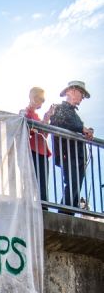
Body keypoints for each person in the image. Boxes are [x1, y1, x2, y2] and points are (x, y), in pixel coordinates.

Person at [49, 81, 94, 210]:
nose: (82, 97)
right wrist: (82, 128)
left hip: (78, 155)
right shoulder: (58, 108)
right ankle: (65, 213)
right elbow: (60, 122)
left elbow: (76, 127)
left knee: (76, 186)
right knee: (72, 183)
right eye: (81, 93)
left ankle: (70, 212)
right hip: (67, 153)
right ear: (71, 91)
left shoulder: (76, 115)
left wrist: (86, 130)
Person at [20, 87, 54, 204]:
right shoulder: (24, 113)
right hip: (32, 150)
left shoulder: (37, 117)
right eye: (41, 99)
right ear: (33, 97)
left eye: (43, 100)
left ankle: (43, 207)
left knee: (43, 183)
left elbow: (43, 134)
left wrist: (46, 119)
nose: (42, 102)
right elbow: (25, 129)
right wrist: (43, 122)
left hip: (42, 151)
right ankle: (32, 205)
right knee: (31, 181)